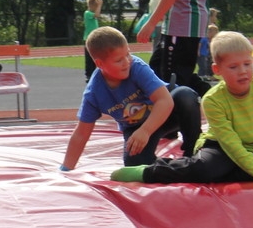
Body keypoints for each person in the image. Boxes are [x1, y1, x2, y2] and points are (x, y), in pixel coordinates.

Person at [111, 31, 253, 185]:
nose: (243, 71)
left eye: (248, 64)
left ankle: (230, 172)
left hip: (250, 151)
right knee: (208, 168)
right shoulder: (213, 100)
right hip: (219, 148)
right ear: (217, 69)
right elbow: (229, 143)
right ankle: (148, 171)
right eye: (233, 66)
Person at [61, 26, 200, 171]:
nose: (127, 62)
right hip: (136, 126)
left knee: (186, 96)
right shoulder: (94, 93)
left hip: (167, 112)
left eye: (128, 54)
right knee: (135, 163)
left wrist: (146, 130)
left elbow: (164, 101)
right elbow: (81, 134)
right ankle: (167, 167)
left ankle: (194, 152)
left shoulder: (136, 67)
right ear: (100, 64)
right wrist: (66, 168)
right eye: (119, 60)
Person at [82, 0, 103, 81]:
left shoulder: (92, 14)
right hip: (89, 38)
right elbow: (97, 15)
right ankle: (89, 74)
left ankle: (96, 73)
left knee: (97, 56)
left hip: (95, 38)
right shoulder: (87, 13)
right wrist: (100, 5)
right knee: (89, 57)